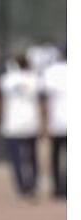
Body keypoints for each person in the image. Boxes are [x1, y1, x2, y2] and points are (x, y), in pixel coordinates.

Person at [0, 53, 43, 200]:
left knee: (16, 158)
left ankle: (21, 187)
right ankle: (32, 185)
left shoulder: (7, 79)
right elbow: (42, 101)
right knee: (32, 157)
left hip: (12, 124)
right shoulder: (35, 79)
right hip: (31, 122)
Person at [41, 48, 66, 199]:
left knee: (55, 156)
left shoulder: (51, 72)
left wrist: (44, 122)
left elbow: (44, 99)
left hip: (56, 120)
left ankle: (58, 188)